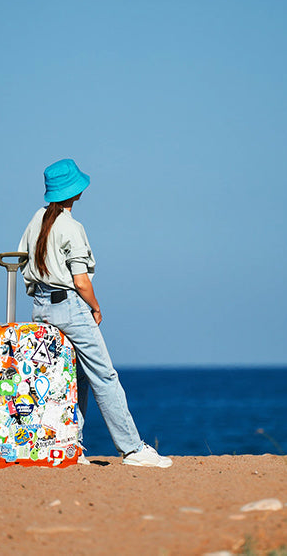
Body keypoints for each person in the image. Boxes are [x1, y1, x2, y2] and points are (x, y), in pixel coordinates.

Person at [18, 159, 172, 468]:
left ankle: (69, 445)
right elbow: (81, 280)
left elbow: (23, 262)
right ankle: (131, 449)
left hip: (40, 307)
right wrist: (95, 306)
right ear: (76, 191)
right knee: (104, 375)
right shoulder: (71, 227)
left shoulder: (37, 219)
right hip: (70, 307)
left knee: (73, 378)